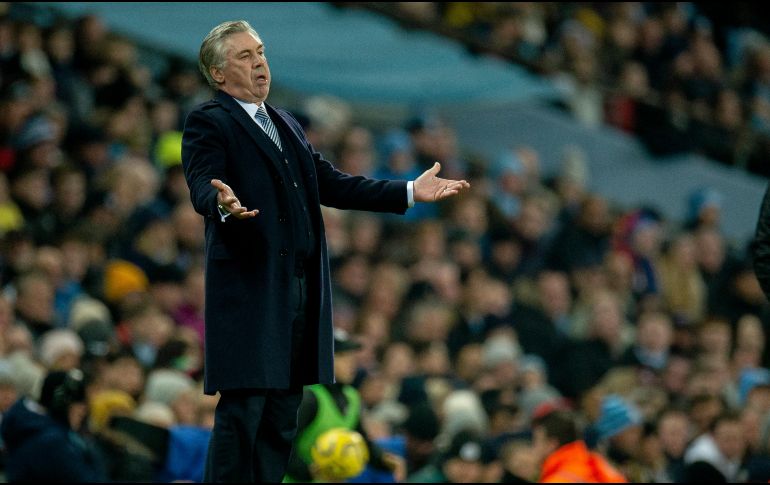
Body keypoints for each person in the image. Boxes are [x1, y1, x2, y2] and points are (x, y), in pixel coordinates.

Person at [182, 20, 469, 483]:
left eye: (261, 53)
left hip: (299, 288)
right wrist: (220, 203)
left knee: (281, 414)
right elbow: (201, 179)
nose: (259, 64)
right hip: (252, 291)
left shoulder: (285, 122)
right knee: (245, 410)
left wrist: (409, 191)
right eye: (244, 56)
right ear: (218, 74)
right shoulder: (209, 120)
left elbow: (331, 183)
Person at [284, 329, 404, 482]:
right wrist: (306, 472)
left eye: (352, 356)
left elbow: (360, 438)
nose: (351, 363)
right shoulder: (309, 397)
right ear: (322, 359)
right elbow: (284, 442)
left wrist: (383, 459)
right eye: (342, 356)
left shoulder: (352, 396)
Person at [532, 409, 627, 483]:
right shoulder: (598, 464)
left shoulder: (557, 480)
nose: (533, 447)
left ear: (551, 444)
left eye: (536, 441)